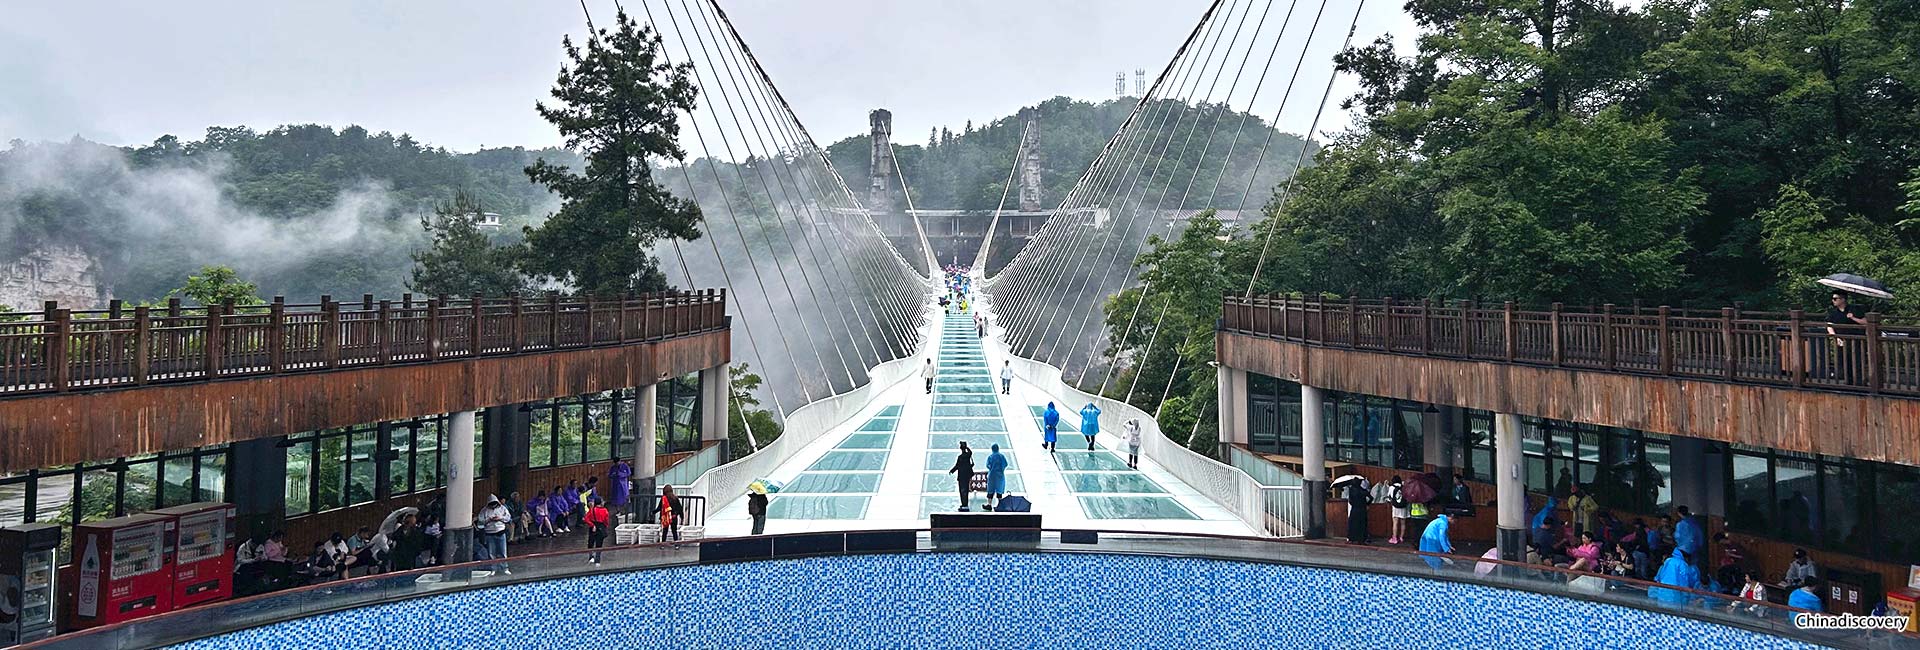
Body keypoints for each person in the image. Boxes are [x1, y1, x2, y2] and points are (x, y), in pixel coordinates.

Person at [1826, 291, 1867, 384]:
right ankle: (1848, 381)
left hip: (1856, 339)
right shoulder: (1833, 312)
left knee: (1857, 360)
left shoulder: (1854, 309)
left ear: (1843, 299)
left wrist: (1853, 318)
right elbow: (1829, 325)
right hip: (1841, 339)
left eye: (1835, 299)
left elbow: (1865, 322)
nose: (1833, 301)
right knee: (1844, 361)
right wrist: (1835, 337)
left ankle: (1859, 382)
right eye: (1833, 299)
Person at [477, 495, 511, 572]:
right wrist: (488, 520)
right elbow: (480, 522)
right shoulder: (484, 511)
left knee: (503, 552)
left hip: (501, 532)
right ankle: (493, 569)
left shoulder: (502, 508)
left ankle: (505, 568)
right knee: (491, 553)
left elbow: (508, 518)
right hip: (490, 534)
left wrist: (500, 518)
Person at [1673, 506, 1704, 572]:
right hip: (1695, 548)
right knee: (1694, 567)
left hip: (1683, 549)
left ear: (1678, 513)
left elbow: (1677, 537)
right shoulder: (1695, 523)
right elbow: (1700, 535)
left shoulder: (1680, 524)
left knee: (1683, 566)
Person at [949, 442, 976, 512]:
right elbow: (970, 452)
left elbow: (957, 466)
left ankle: (963, 504)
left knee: (962, 490)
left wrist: (952, 471)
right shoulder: (968, 455)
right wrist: (966, 447)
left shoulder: (960, 457)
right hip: (967, 476)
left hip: (961, 476)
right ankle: (965, 504)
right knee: (966, 490)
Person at [583, 496, 611, 563]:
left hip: (592, 528)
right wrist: (605, 527)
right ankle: (597, 560)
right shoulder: (605, 511)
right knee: (599, 545)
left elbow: (586, 518)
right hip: (601, 528)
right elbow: (606, 521)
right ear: (601, 503)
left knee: (591, 543)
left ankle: (591, 557)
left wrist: (592, 525)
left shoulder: (592, 510)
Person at [1345, 477, 1371, 545]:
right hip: (1362, 509)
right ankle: (1362, 539)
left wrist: (1353, 503)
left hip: (1354, 509)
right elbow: (1371, 497)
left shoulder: (1351, 490)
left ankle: (1352, 538)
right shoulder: (1362, 490)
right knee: (1362, 524)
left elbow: (1350, 501)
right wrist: (1367, 504)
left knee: (1353, 524)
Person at [1385, 476, 1409, 545]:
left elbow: (1389, 497)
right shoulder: (1404, 487)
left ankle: (1394, 538)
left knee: (1395, 522)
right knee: (1403, 523)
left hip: (1395, 507)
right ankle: (1401, 537)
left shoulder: (1391, 488)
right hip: (1403, 507)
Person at [984, 444, 1008, 510]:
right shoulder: (1002, 456)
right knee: (999, 491)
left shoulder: (990, 457)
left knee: (990, 491)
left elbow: (988, 465)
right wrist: (1001, 469)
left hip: (992, 475)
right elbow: (1005, 464)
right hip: (1000, 476)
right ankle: (1000, 505)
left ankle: (989, 505)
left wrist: (992, 468)